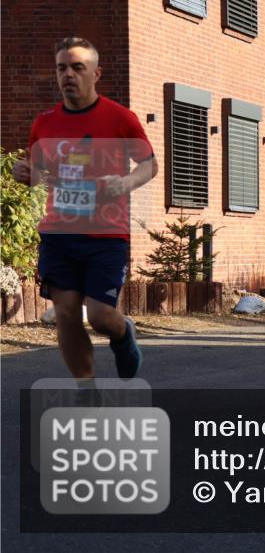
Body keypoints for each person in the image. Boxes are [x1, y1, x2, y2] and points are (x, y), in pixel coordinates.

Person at [13, 37, 157, 381]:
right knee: (65, 314)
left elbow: (149, 165)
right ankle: (86, 387)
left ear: (96, 73)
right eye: (62, 67)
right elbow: (39, 174)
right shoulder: (44, 123)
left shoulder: (120, 119)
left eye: (78, 67)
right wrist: (26, 174)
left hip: (105, 234)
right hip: (59, 233)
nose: (68, 74)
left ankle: (123, 336)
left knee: (100, 316)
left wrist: (124, 183)